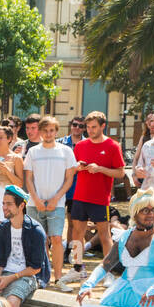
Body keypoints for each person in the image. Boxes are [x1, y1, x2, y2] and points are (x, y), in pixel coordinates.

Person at [77, 189, 154, 307]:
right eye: (145, 210)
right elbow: (105, 265)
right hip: (124, 291)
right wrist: (88, 284)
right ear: (134, 214)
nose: (151, 214)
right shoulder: (124, 236)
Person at [62, 111, 125, 286]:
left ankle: (108, 271)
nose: (89, 130)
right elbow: (73, 168)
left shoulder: (113, 146)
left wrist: (100, 169)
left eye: (93, 127)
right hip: (80, 196)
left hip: (100, 198)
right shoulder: (81, 145)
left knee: (104, 235)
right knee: (76, 232)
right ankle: (77, 267)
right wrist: (79, 168)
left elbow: (120, 172)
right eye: (87, 127)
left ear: (103, 126)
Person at [0, 185, 47, 307]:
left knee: (11, 303)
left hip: (28, 275)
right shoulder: (2, 228)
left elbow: (36, 268)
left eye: (9, 204)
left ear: (21, 206)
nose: (4, 207)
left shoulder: (35, 231)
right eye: (3, 203)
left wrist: (10, 278)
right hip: (5, 272)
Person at [23, 125, 77, 283]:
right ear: (40, 132)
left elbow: (69, 179)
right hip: (34, 204)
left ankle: (58, 277)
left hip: (57, 204)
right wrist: (36, 199)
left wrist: (56, 198)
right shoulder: (33, 152)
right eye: (45, 130)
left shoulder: (65, 151)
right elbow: (28, 178)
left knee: (57, 239)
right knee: (39, 241)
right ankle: (42, 275)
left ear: (56, 132)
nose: (48, 134)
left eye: (52, 130)